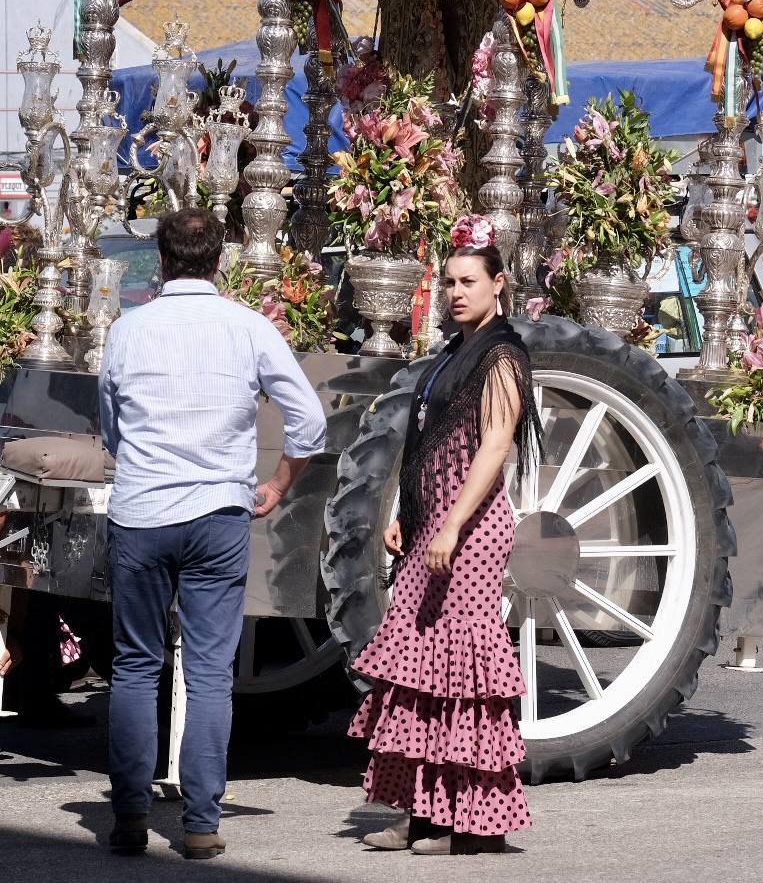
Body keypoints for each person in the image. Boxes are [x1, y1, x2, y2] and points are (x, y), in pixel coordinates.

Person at [99, 207, 326, 860]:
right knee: (207, 673)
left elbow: (111, 426)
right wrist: (279, 482)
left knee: (136, 667)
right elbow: (307, 420)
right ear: (220, 260)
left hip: (142, 511)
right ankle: (200, 822)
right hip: (218, 514)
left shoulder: (128, 330)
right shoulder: (247, 328)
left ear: (162, 262)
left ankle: (128, 817)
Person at [349, 214, 541, 855]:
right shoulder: (455, 353)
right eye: (451, 281)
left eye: (469, 281)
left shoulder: (503, 355)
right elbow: (427, 446)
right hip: (435, 525)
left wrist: (454, 523)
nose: (457, 292)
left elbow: (493, 448)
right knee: (415, 670)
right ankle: (415, 810)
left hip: (473, 530)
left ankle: (468, 822)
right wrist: (411, 511)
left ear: (499, 285)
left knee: (461, 675)